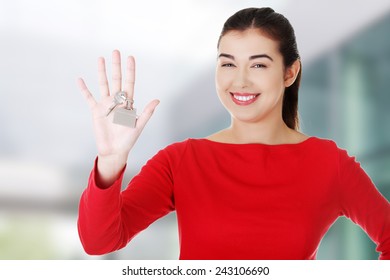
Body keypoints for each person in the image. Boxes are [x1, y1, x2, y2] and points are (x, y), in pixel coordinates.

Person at [77, 7, 390, 259]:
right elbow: (99, 242)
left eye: (258, 66)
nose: (240, 81)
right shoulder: (181, 160)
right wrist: (110, 161)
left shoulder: (327, 163)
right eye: (228, 64)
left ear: (289, 72)